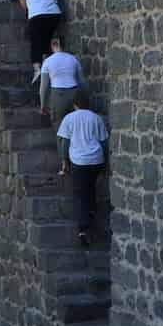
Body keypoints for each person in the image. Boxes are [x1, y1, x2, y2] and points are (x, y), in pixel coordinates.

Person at [56, 91, 110, 247]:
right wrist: (106, 164)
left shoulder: (69, 118)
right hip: (96, 160)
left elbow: (64, 142)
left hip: (79, 161)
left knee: (80, 194)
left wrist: (64, 161)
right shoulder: (96, 118)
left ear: (75, 104)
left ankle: (83, 229)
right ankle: (92, 213)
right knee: (91, 187)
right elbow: (104, 143)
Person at [37, 33, 86, 127]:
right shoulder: (73, 59)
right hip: (75, 94)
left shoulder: (47, 62)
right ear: (64, 45)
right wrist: (85, 100)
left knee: (60, 128)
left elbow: (43, 87)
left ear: (52, 45)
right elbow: (82, 83)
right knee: (76, 126)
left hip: (58, 95)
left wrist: (43, 105)